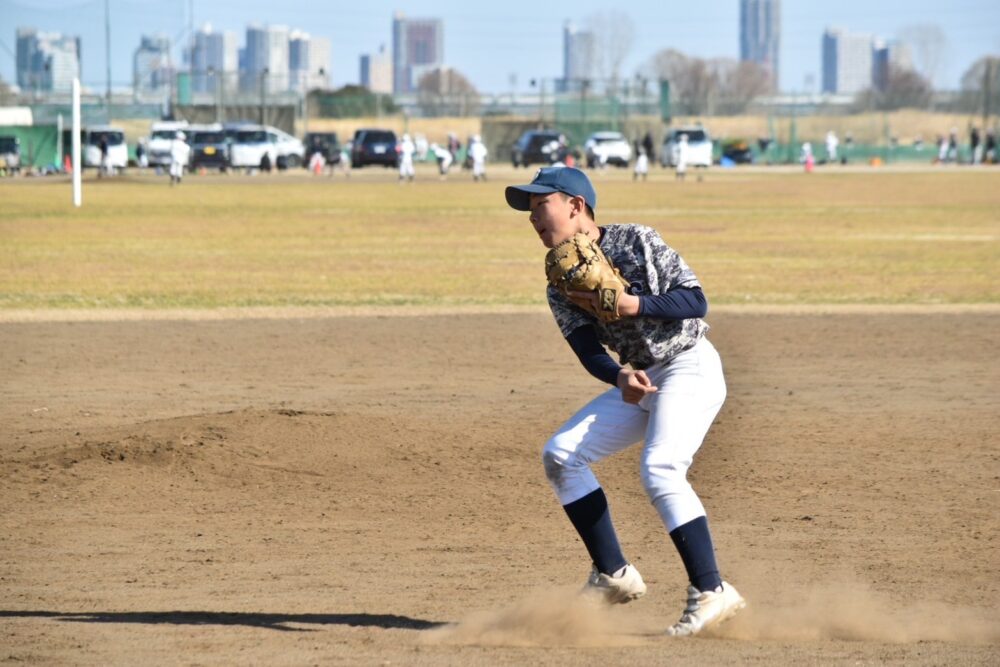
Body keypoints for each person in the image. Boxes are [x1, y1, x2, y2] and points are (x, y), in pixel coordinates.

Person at [503, 166, 746, 637]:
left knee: (660, 469)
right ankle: (613, 574)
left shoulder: (636, 240)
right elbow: (587, 350)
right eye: (529, 211)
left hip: (689, 366)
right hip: (641, 379)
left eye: (540, 205)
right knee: (561, 455)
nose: (533, 218)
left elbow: (695, 301)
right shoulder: (560, 280)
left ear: (575, 205)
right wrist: (618, 377)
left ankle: (712, 591)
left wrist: (636, 305)